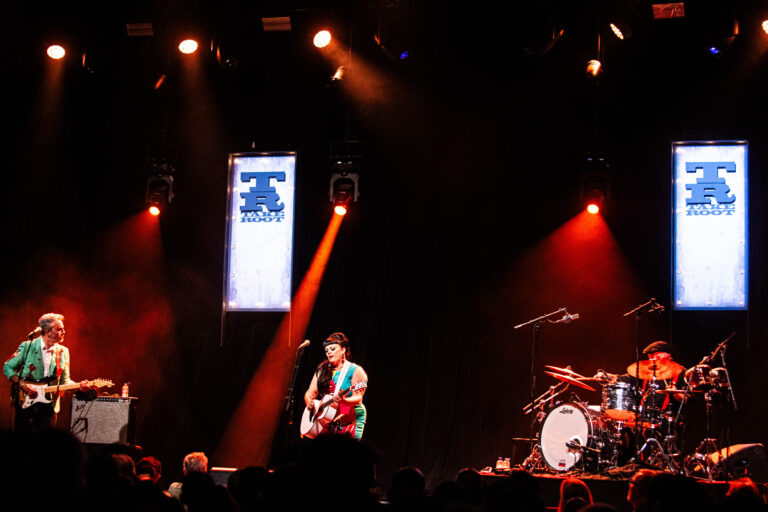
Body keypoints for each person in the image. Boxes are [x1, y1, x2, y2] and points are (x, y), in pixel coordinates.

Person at [3, 313, 88, 432]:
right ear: (47, 331)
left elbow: (65, 381)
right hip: (25, 402)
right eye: (59, 329)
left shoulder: (63, 352)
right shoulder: (28, 346)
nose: (64, 332)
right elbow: (8, 367)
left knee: (46, 442)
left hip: (49, 406)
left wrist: (79, 386)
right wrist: (22, 383)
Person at [304, 332, 368, 440]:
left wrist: (344, 400)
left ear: (343, 350)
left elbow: (358, 398)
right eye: (326, 350)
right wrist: (309, 401)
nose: (329, 352)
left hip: (349, 420)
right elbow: (310, 392)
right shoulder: (322, 370)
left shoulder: (355, 370)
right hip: (327, 419)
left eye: (332, 349)